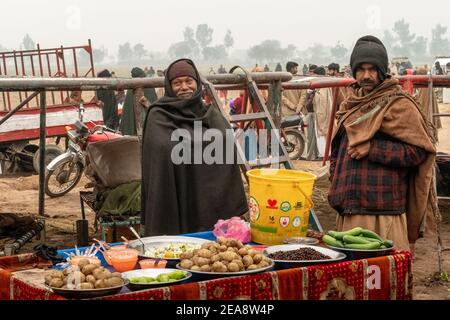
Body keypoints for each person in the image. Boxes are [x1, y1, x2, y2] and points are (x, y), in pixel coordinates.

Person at [328, 35, 437, 251]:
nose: (366, 75)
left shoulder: (398, 104)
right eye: (361, 69)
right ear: (353, 71)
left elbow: (418, 152)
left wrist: (373, 149)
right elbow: (338, 150)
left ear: (382, 70)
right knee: (349, 281)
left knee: (386, 280)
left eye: (372, 69)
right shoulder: (351, 105)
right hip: (349, 211)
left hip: (383, 214)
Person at [141, 58, 248, 236]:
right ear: (169, 86)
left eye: (189, 81)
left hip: (207, 195)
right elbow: (162, 148)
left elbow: (224, 139)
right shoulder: (158, 115)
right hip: (176, 192)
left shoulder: (209, 113)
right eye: (177, 83)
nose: (184, 87)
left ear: (197, 83)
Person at [120, 67, 158, 138]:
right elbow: (154, 106)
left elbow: (127, 109)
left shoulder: (131, 87)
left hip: (134, 128)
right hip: (147, 127)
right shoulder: (149, 86)